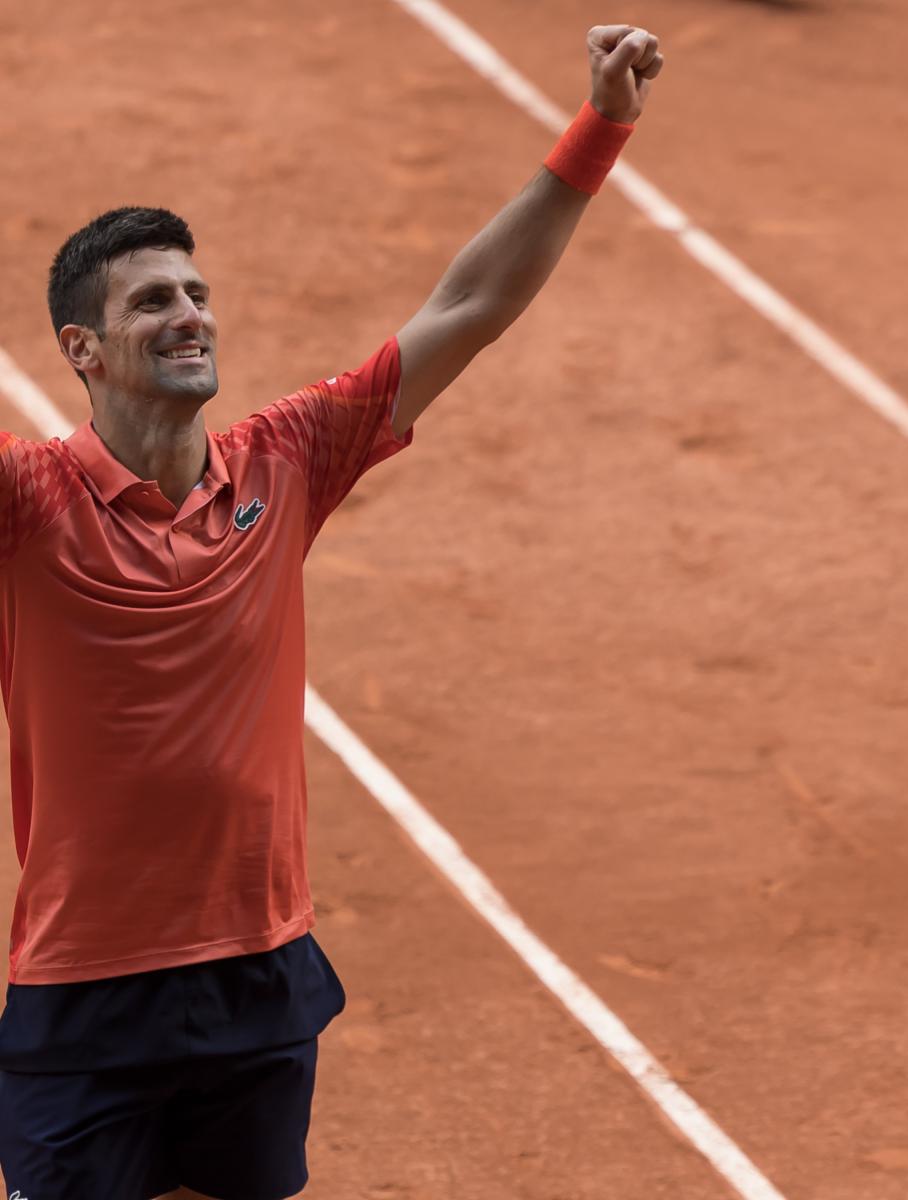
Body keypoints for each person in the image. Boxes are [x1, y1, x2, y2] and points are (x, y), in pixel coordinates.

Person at [0, 23, 662, 1200]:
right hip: (87, 984)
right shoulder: (28, 503)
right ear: (82, 350)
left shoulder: (286, 461)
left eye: (199, 292)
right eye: (154, 302)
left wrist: (599, 125)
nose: (191, 313)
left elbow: (471, 303)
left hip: (259, 966)